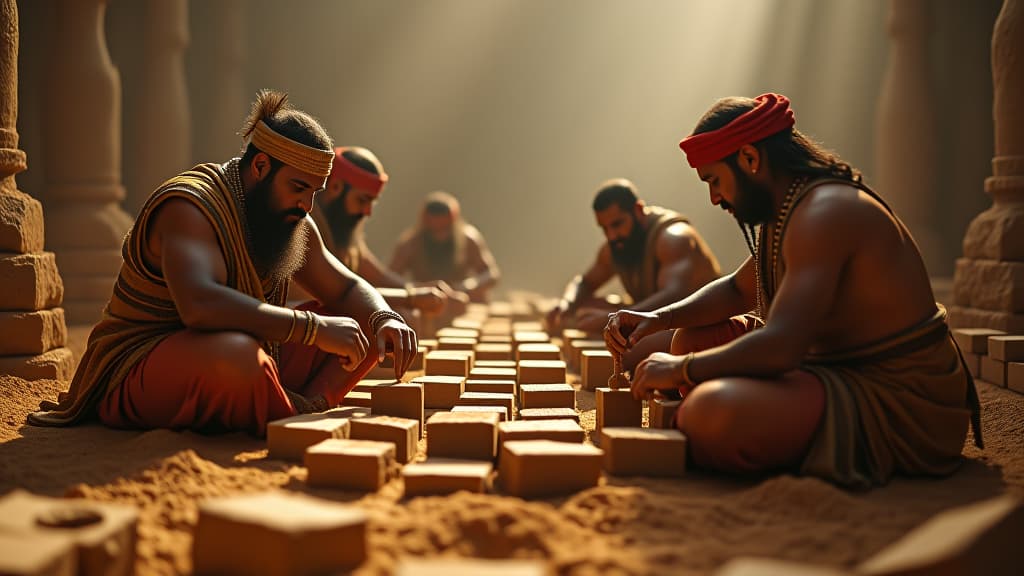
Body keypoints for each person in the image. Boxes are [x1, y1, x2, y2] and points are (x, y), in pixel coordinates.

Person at [604, 93, 982, 488]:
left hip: (895, 396)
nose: (714, 198)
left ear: (750, 159)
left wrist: (680, 370)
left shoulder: (824, 212)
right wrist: (657, 318)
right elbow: (737, 290)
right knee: (689, 340)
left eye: (714, 180)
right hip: (829, 363)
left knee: (709, 413)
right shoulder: (787, 207)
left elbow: (783, 346)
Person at [29, 90, 418, 436]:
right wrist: (313, 328)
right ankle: (285, 420)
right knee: (238, 360)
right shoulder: (189, 207)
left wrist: (386, 319)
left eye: (314, 192)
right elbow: (201, 306)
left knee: (362, 328)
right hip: (142, 363)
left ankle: (307, 409)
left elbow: (347, 287)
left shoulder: (293, 218)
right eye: (298, 188)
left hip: (250, 352)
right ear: (261, 166)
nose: (307, 206)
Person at [546, 178, 721, 370]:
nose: (611, 235)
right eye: (604, 229)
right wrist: (567, 303)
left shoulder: (673, 238)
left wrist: (611, 319)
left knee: (631, 349)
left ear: (638, 211)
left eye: (617, 224)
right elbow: (585, 283)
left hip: (696, 325)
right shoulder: (617, 245)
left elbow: (673, 298)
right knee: (586, 306)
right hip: (652, 320)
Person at [307, 146, 460, 322]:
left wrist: (420, 290)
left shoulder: (343, 230)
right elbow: (338, 293)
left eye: (372, 202)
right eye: (362, 200)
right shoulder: (308, 224)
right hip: (306, 326)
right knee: (399, 317)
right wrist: (410, 297)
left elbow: (376, 276)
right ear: (335, 187)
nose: (367, 212)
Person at [389, 190, 501, 303]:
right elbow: (390, 278)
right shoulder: (410, 244)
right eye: (435, 230)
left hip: (461, 302)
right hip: (426, 304)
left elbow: (491, 274)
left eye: (444, 228)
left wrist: (465, 288)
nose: (440, 235)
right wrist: (419, 289)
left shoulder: (469, 240)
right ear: (425, 221)